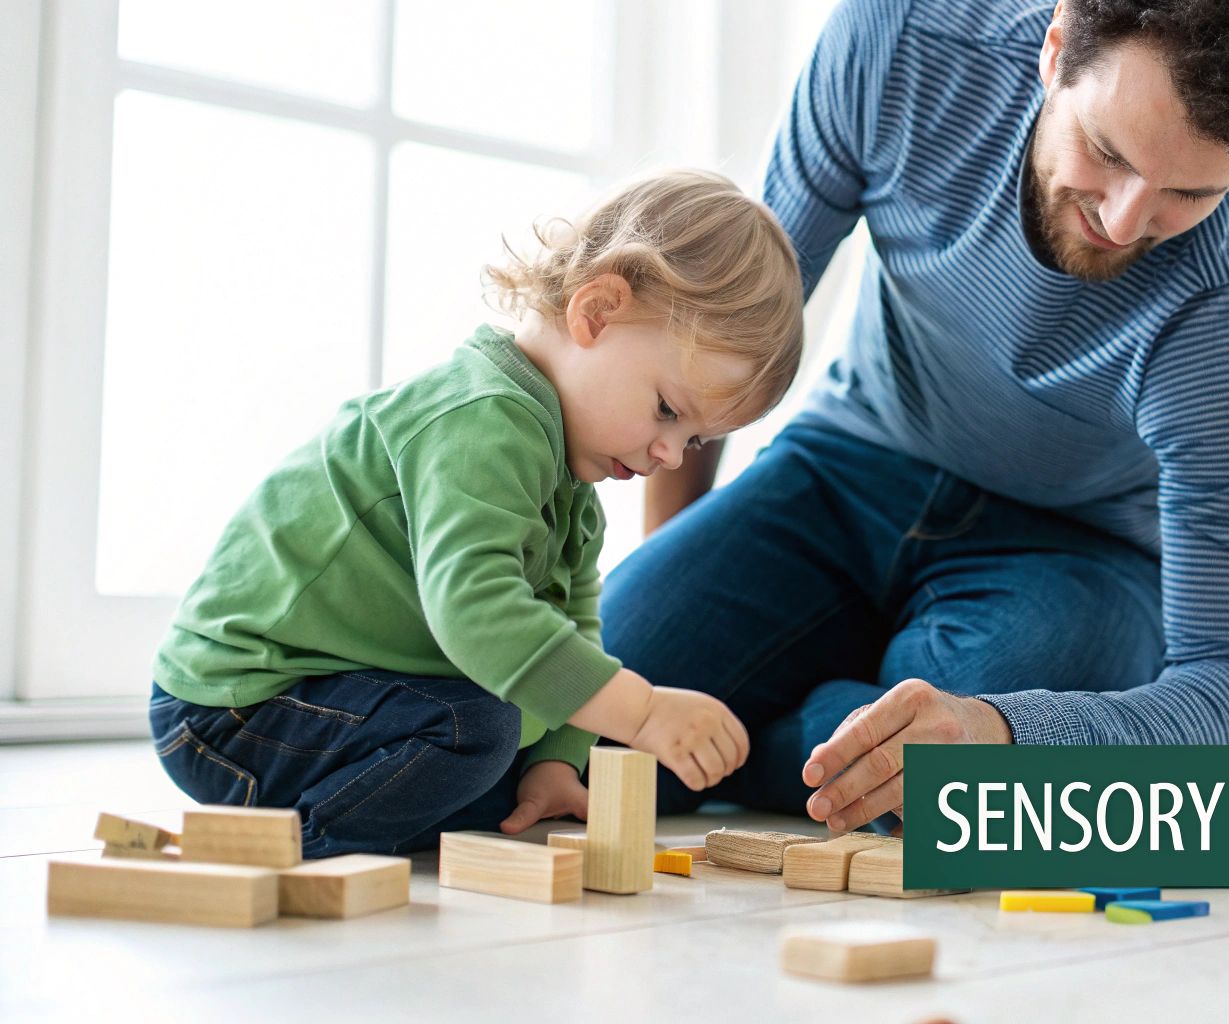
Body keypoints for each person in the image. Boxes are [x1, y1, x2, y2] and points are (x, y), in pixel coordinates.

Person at [596, 0, 1229, 834]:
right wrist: (672, 568)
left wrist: (998, 733)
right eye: (1105, 152)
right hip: (844, 466)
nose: (1123, 219)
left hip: (1074, 554)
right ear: (1056, 46)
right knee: (592, 711)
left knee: (966, 779)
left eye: (1188, 193)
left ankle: (803, 734)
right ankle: (847, 729)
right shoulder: (899, 43)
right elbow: (720, 339)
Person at [147, 170, 804, 857]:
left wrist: (557, 763)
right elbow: (474, 612)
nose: (671, 454)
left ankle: (368, 820)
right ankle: (288, 849)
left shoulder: (571, 489)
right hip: (233, 709)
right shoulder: (484, 420)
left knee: (502, 764)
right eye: (668, 410)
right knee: (477, 729)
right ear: (598, 312)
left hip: (331, 697)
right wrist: (639, 712)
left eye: (695, 438)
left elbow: (574, 625)